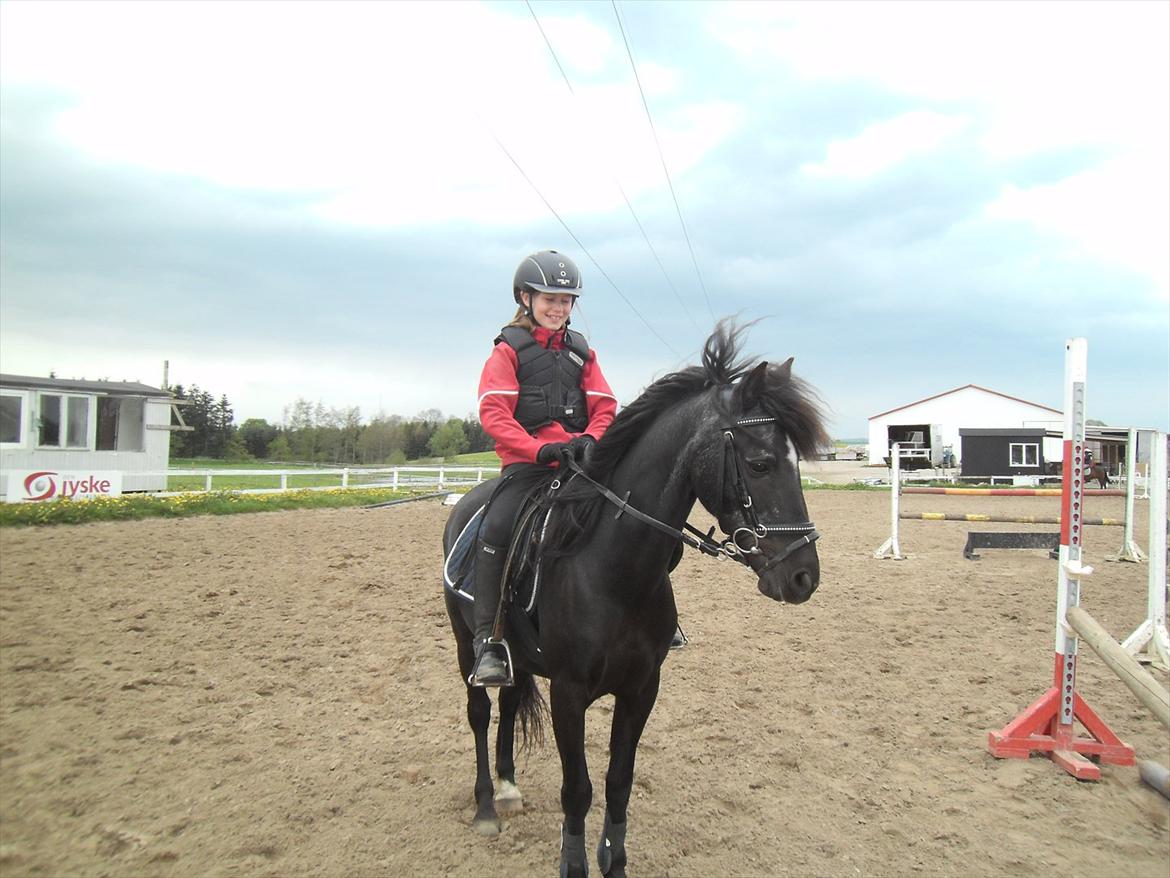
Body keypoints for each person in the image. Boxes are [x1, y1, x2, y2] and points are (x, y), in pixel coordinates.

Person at [469, 250, 618, 687]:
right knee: (496, 527)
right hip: (528, 467)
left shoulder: (582, 352)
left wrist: (591, 439)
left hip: (578, 464)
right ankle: (488, 642)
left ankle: (650, 619)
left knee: (631, 512)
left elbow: (605, 406)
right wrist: (538, 450)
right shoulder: (507, 351)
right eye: (549, 299)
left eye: (566, 301)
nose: (558, 308)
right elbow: (494, 413)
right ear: (525, 297)